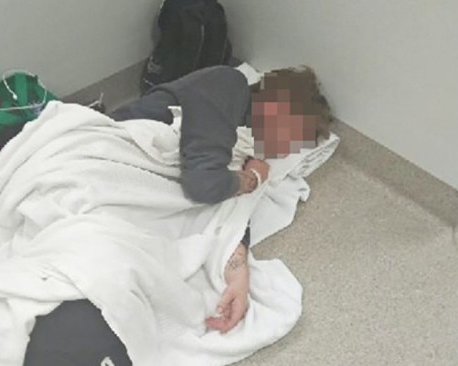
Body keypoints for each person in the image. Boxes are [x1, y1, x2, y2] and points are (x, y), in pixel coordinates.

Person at [24, 65, 332, 365]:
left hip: (137, 214)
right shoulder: (228, 84)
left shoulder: (238, 151)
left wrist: (238, 275)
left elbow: (227, 215)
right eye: (292, 136)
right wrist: (250, 179)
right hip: (98, 169)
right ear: (279, 104)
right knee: (102, 273)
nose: (282, 151)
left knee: (134, 287)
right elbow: (204, 184)